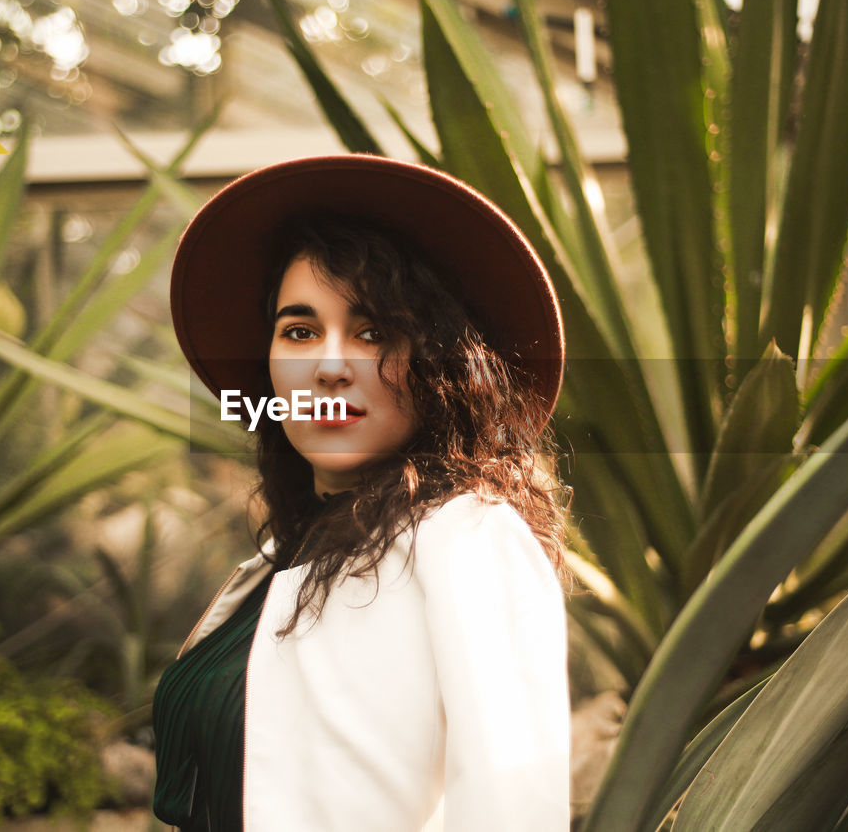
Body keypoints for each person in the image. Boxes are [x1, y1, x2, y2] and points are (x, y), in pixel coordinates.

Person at [154, 154, 570, 831]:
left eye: (374, 331)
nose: (329, 365)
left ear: (442, 365)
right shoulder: (285, 556)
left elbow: (512, 806)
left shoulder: (466, 536)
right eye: (299, 331)